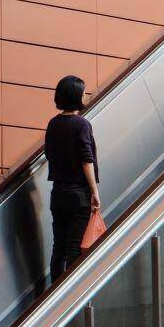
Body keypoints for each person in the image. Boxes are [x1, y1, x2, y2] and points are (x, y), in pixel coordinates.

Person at [45, 75, 101, 281]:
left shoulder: (53, 124)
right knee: (74, 246)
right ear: (76, 95)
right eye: (83, 91)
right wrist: (94, 192)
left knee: (58, 247)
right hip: (78, 194)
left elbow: (49, 154)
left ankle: (53, 295)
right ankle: (69, 297)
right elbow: (87, 160)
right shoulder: (81, 124)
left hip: (57, 193)